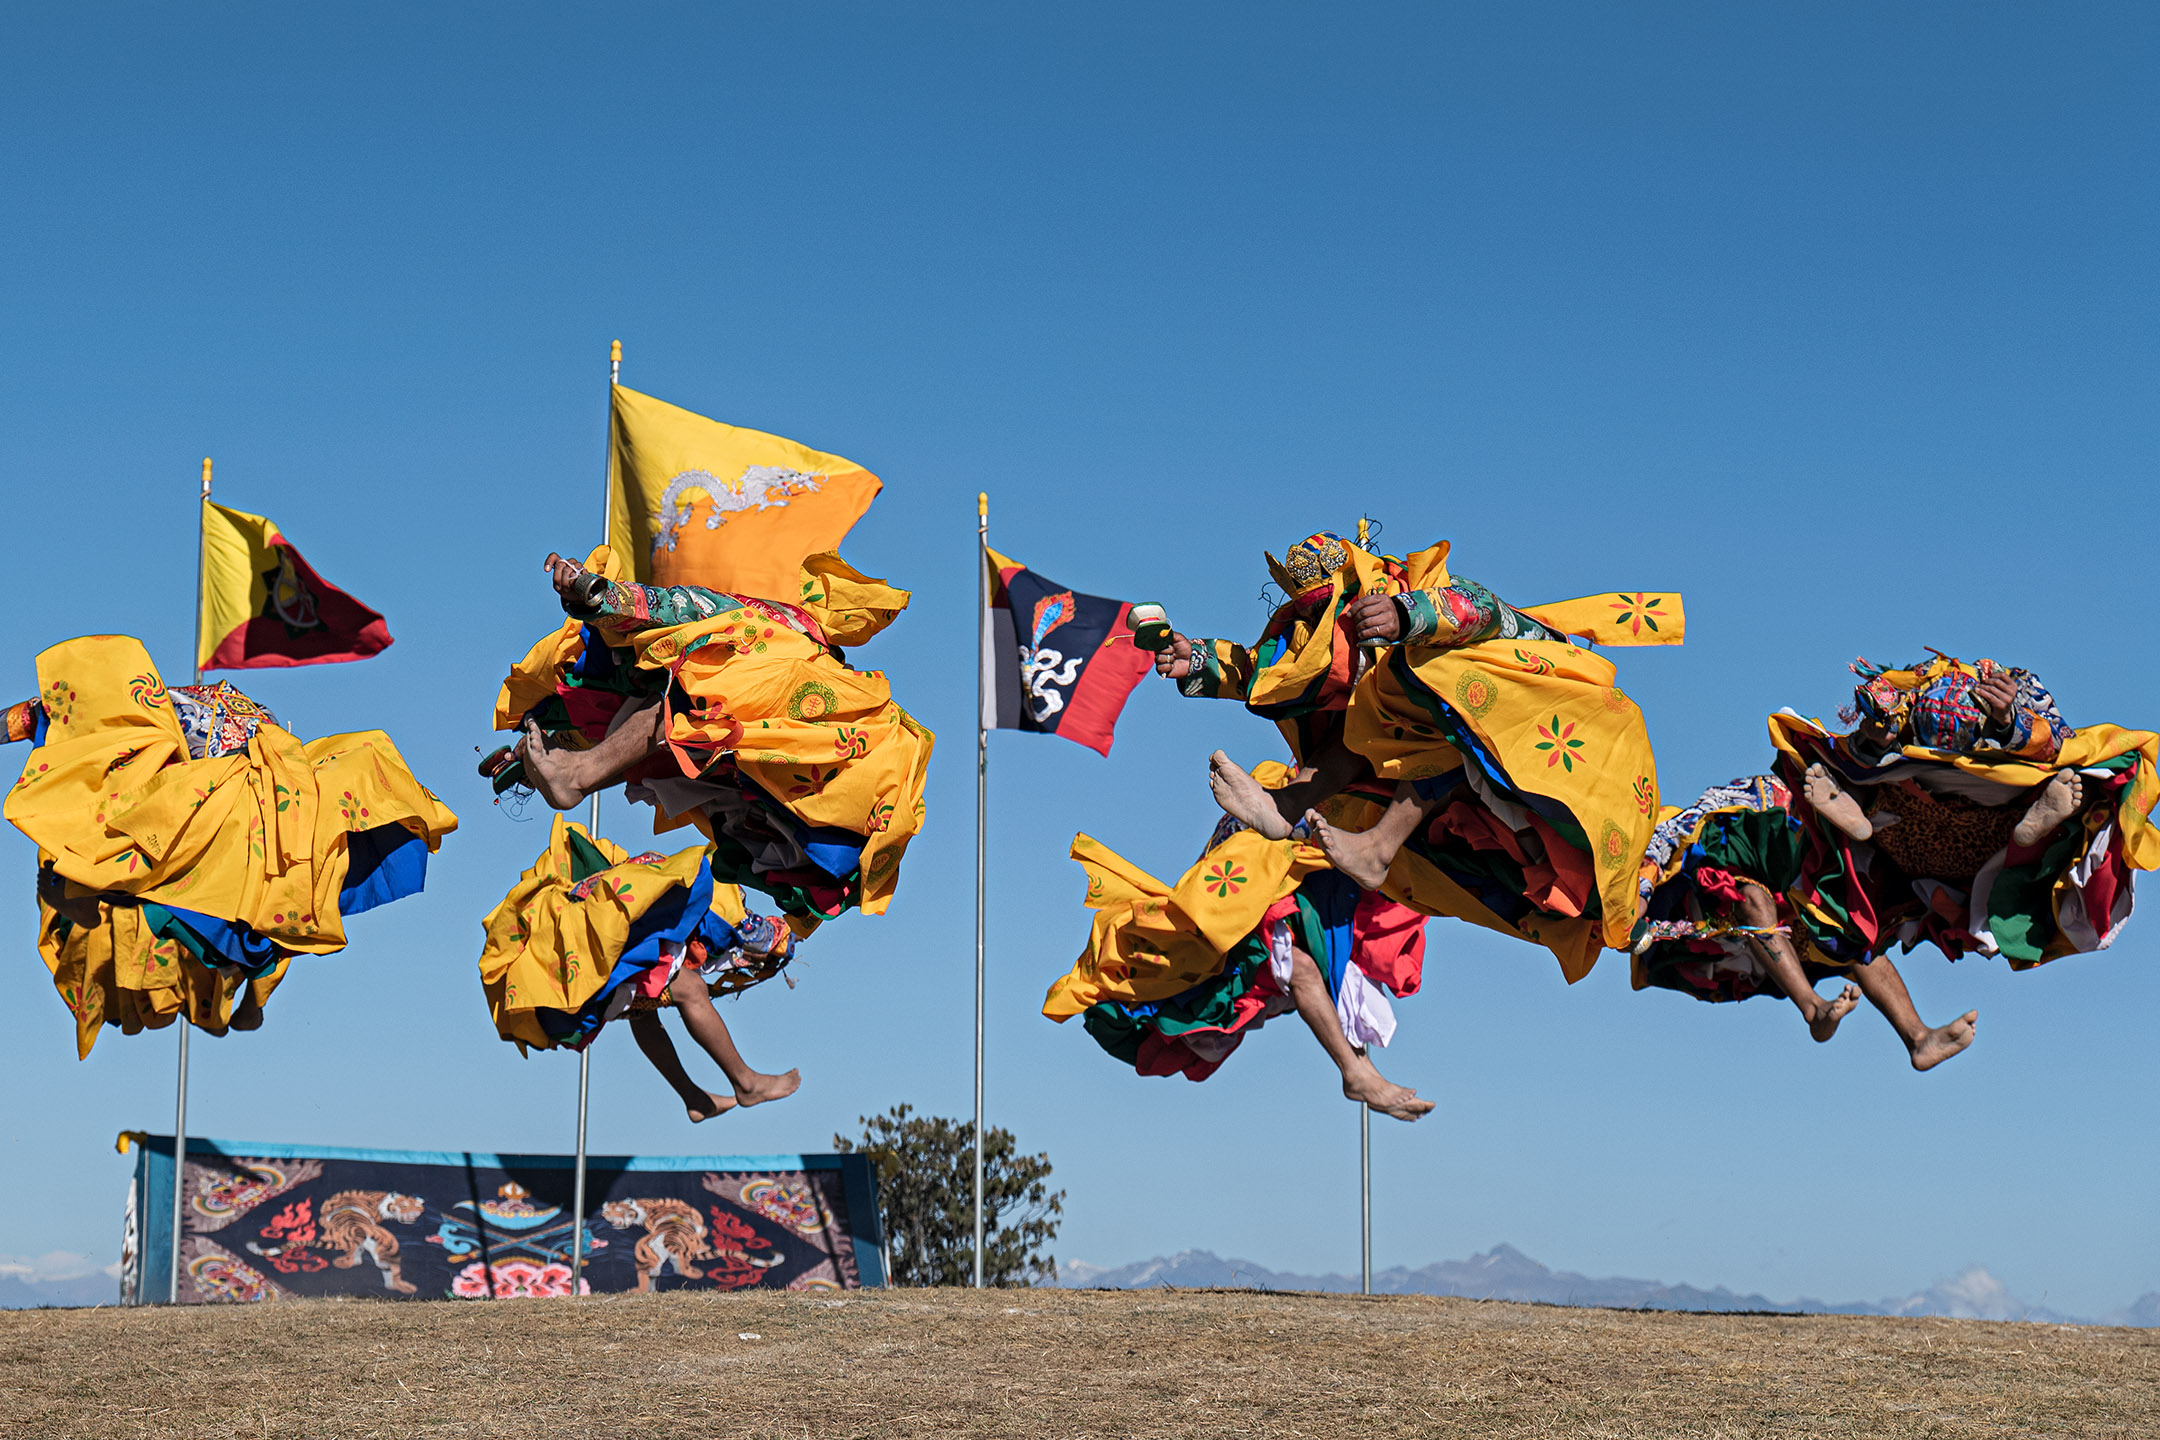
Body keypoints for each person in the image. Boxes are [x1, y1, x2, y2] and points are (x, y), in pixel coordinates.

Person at [1153, 529, 1681, 984]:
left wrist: (1412, 616)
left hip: (1549, 742)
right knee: (1370, 707)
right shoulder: (1336, 648)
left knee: (1414, 677)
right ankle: (1293, 807)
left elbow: (1485, 611)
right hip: (1465, 795)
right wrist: (1199, 659)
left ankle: (1371, 844)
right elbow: (1298, 671)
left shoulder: (1420, 596)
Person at [4, 635, 457, 1055]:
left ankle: (219, 965)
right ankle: (229, 973)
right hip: (247, 807)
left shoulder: (133, 749)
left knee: (138, 868)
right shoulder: (140, 748)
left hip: (234, 805)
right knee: (204, 886)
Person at [483, 548, 933, 925]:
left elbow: (680, 606)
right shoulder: (835, 677)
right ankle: (558, 765)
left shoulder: (773, 630)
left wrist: (598, 595)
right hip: (823, 836)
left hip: (809, 816)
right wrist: (531, 755)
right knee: (679, 694)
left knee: (699, 681)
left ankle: (575, 775)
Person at [1042, 802, 1434, 1121]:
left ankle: (1357, 1072)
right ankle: (1357, 1073)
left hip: (1249, 909)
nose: (1214, 1042)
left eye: (1202, 1040)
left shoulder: (1180, 992)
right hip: (1250, 923)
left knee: (1316, 968)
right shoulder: (1248, 1001)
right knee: (1313, 969)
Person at [1770, 654, 2158, 976]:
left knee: (2085, 776)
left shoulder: (2014, 684)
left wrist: (2007, 721)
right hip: (1951, 824)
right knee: (2094, 778)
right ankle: (1860, 815)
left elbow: (2057, 741)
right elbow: (2060, 742)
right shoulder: (1907, 689)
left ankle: (1862, 818)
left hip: (1929, 832)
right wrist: (1877, 736)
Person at [1631, 775, 1978, 1070]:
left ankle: (1918, 1038)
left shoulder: (1831, 837)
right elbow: (1676, 831)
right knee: (1751, 898)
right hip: (1689, 914)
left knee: (1850, 931)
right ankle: (1812, 1008)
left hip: (1771, 930)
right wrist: (1643, 892)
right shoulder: (1763, 794)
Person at [481, 816, 804, 1122]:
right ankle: (747, 1084)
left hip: (562, 977)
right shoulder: (704, 898)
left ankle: (694, 1098)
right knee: (689, 988)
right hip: (568, 974)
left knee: (645, 1005)